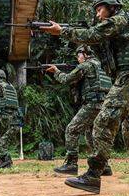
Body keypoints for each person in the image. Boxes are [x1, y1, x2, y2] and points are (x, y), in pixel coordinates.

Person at [42, 0, 129, 194]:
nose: (98, 15)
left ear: (111, 6)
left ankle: (93, 175)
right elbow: (99, 41)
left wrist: (61, 31)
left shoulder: (119, 20)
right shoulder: (127, 22)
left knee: (103, 121)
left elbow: (92, 35)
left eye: (100, 9)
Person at [47, 45, 114, 176]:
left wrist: (55, 71)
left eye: (79, 55)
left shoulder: (86, 66)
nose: (78, 58)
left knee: (72, 129)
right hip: (103, 104)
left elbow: (66, 79)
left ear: (86, 54)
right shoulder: (101, 66)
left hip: (92, 104)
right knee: (92, 135)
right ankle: (103, 165)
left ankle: (71, 164)